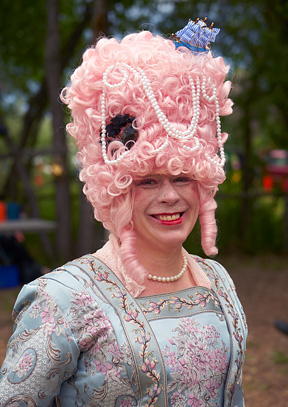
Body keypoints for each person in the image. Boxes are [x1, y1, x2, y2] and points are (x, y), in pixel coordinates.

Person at [0, 19, 247, 407]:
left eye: (183, 178)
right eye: (147, 181)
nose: (170, 197)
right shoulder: (61, 300)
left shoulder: (219, 282)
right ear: (113, 190)